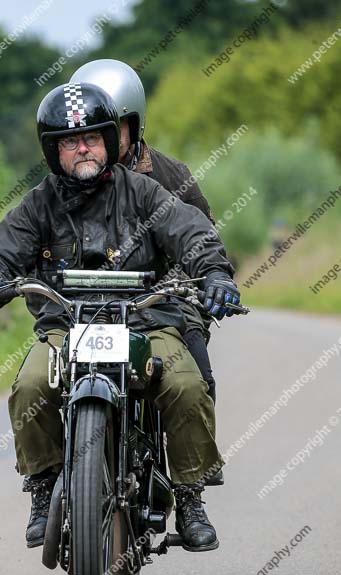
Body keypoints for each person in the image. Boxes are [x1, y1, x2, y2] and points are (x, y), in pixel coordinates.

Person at [0, 83, 239, 554]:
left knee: (187, 384)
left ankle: (190, 496)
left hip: (146, 320)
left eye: (92, 138)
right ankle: (44, 489)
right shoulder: (38, 204)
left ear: (110, 141)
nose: (83, 148)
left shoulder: (146, 192)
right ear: (54, 151)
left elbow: (192, 233)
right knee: (30, 386)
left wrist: (214, 273)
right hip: (65, 323)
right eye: (70, 141)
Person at [71, 59, 219, 404]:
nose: (98, 140)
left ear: (133, 125)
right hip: (82, 309)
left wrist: (204, 283)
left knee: (197, 385)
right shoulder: (65, 179)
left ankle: (196, 460)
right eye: (90, 129)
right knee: (41, 387)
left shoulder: (171, 176)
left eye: (110, 128)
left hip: (163, 305)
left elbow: (202, 240)